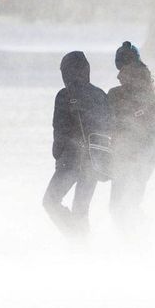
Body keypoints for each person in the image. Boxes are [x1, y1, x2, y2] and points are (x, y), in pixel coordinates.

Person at [43, 51, 108, 237]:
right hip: (94, 162)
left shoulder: (64, 95)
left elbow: (60, 130)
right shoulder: (100, 95)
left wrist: (58, 155)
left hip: (70, 161)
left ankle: (76, 239)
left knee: (50, 201)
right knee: (81, 209)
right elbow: (109, 127)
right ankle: (83, 244)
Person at [107, 42, 155, 229]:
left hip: (126, 156)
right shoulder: (150, 87)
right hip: (146, 156)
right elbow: (150, 122)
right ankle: (144, 237)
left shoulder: (116, 94)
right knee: (131, 204)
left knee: (118, 207)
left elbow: (109, 123)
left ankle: (137, 239)